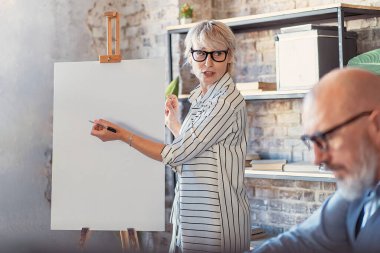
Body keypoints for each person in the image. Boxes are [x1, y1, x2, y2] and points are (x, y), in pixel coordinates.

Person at [91, 20, 251, 253]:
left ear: (229, 56)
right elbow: (198, 150)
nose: (208, 62)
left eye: (217, 53)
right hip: (191, 215)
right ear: (190, 56)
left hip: (215, 223)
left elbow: (176, 154)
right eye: (201, 53)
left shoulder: (224, 101)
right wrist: (175, 125)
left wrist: (120, 134)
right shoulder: (201, 97)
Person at [254, 67, 380, 253]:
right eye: (310, 141)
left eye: (325, 138)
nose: (317, 159)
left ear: (376, 126)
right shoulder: (361, 187)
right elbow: (301, 241)